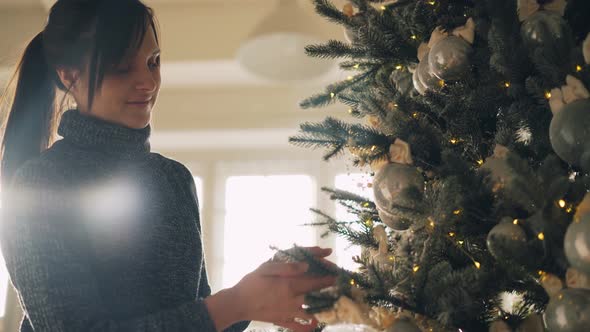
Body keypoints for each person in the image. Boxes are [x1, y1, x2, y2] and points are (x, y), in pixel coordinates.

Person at [0, 1, 336, 331]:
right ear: (70, 75)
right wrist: (235, 302)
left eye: (153, 62)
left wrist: (257, 289)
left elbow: (197, 316)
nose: (147, 82)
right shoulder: (41, 184)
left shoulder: (174, 178)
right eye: (122, 67)